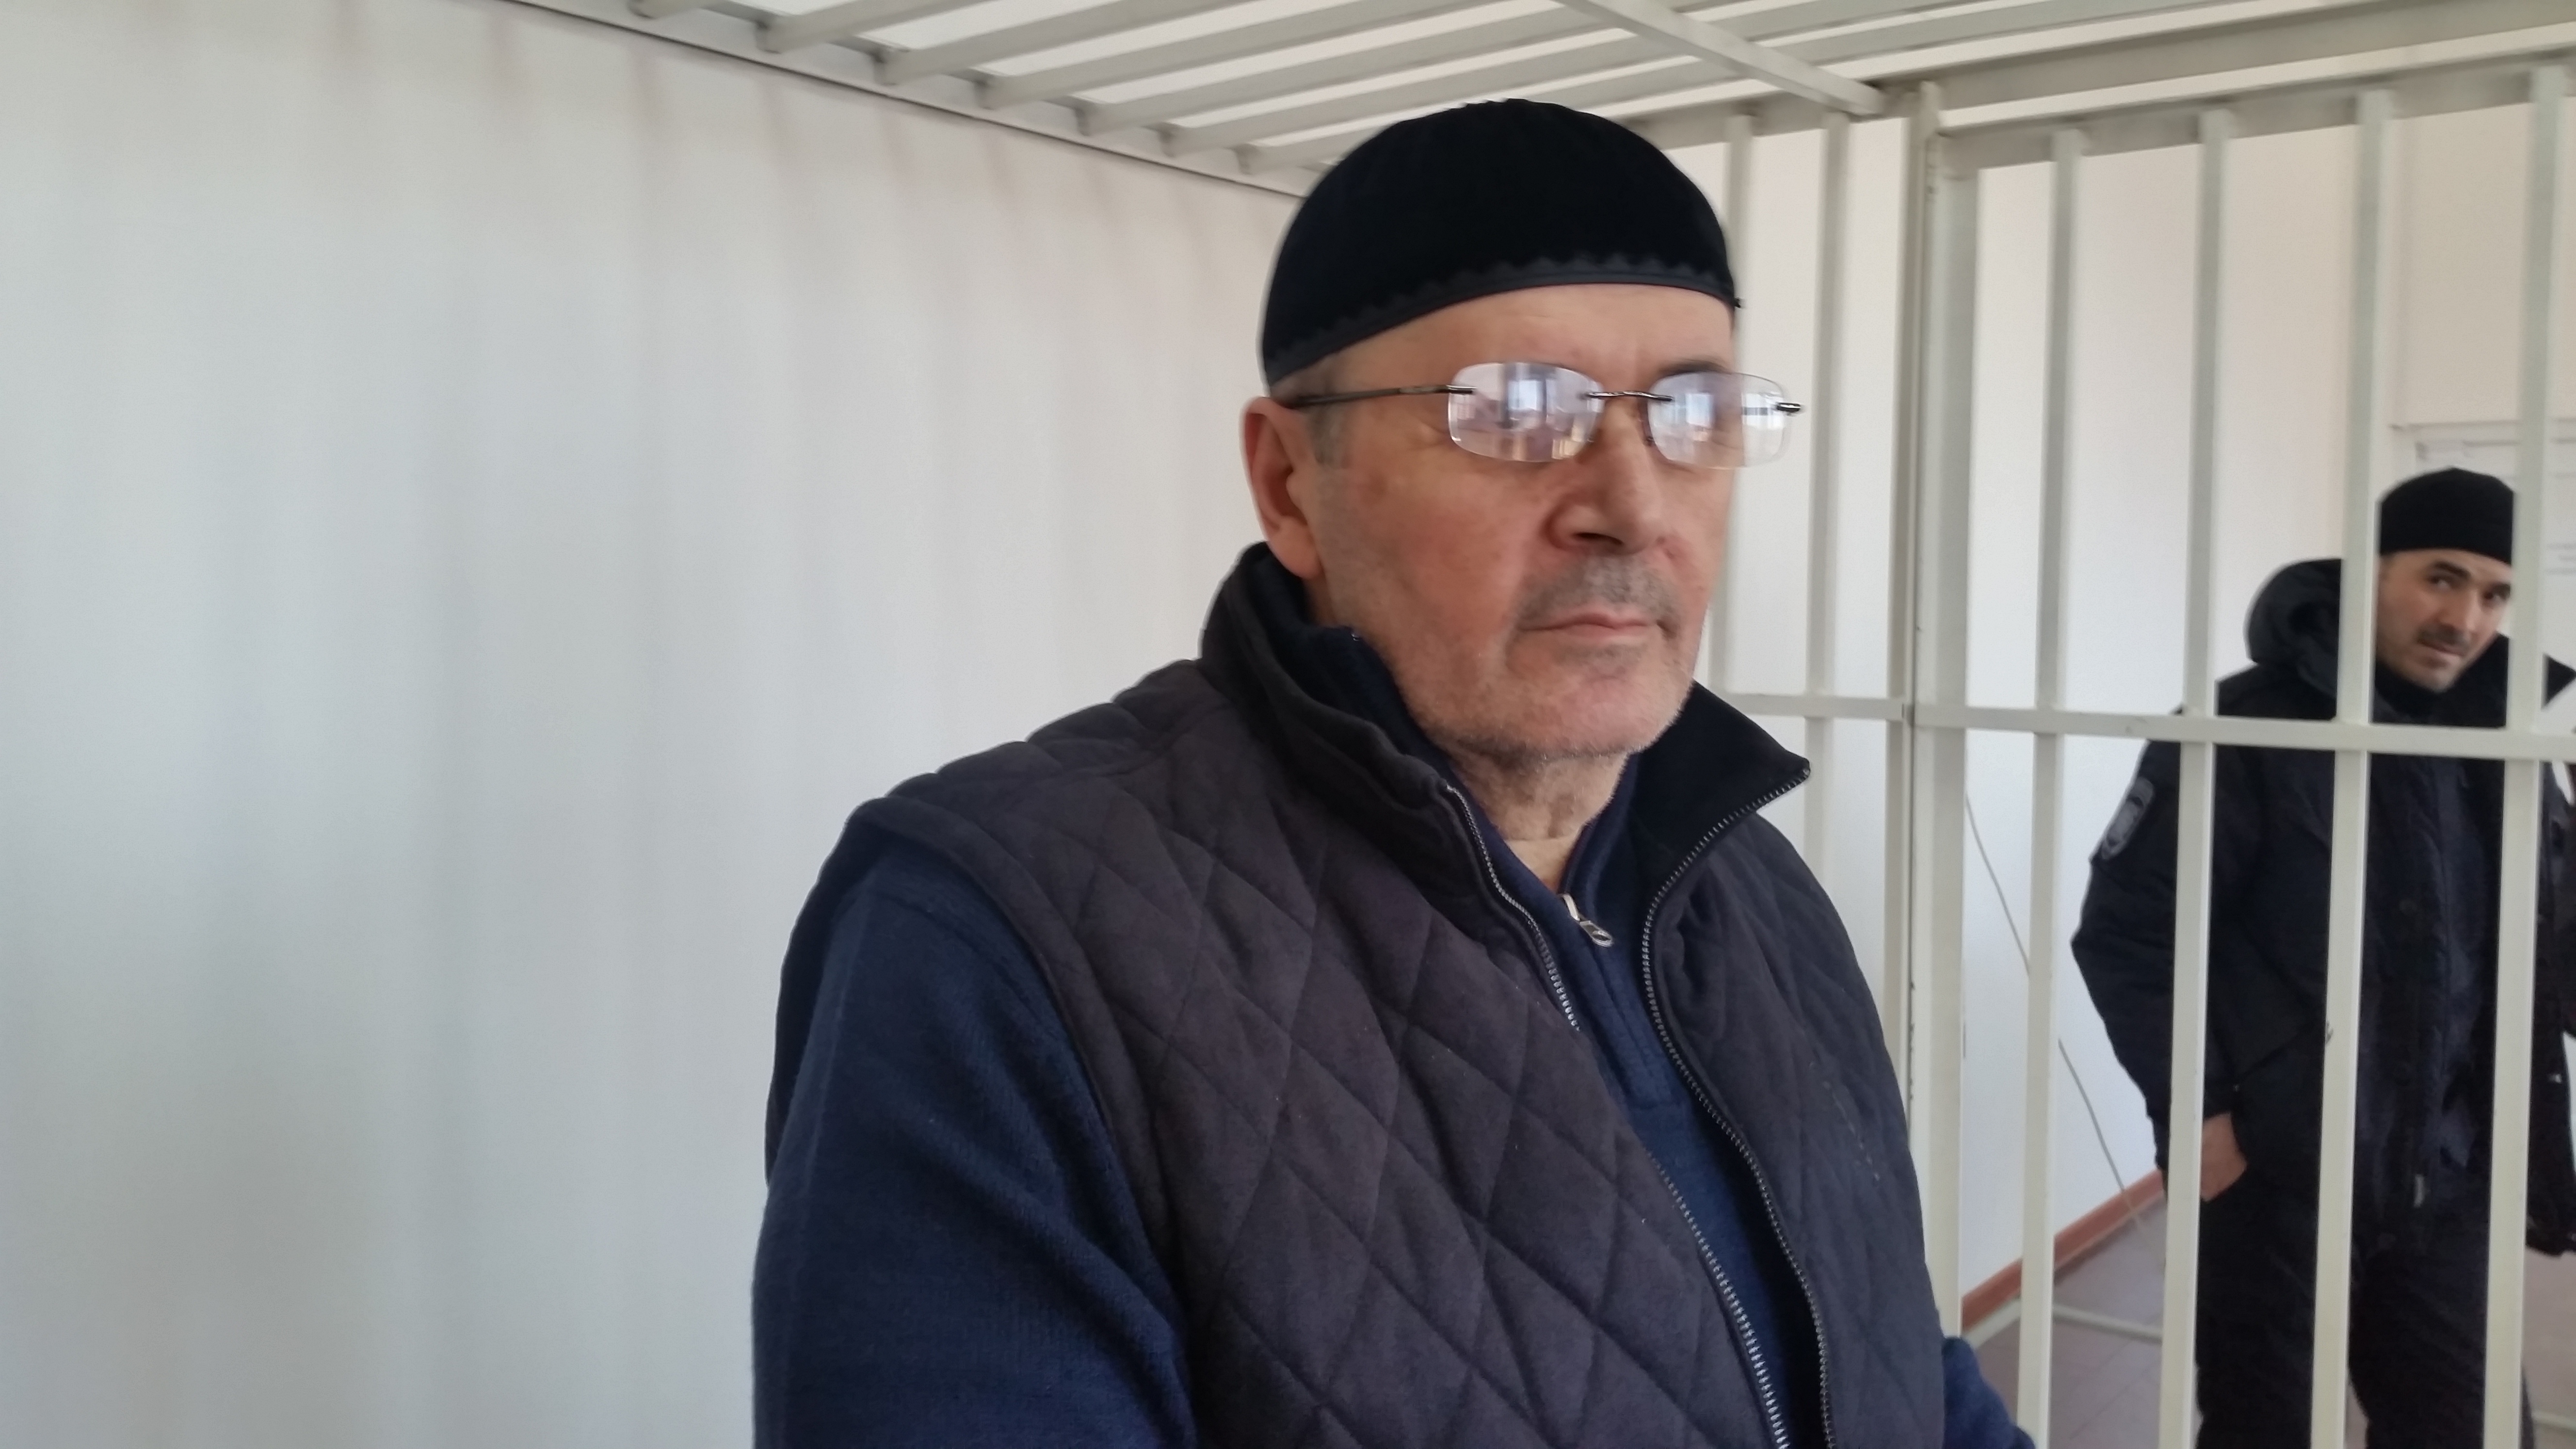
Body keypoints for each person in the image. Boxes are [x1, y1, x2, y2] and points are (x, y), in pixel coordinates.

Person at [753, 99, 2029, 1449]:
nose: (1633, 505)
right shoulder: (1001, 936)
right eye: (1519, 410)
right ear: (1291, 482)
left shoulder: (1750, 882)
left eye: (1693, 412)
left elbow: (1894, 1358)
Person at [2072, 467, 2576, 1448]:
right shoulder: (2246, 724)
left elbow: (2547, 945)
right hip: (2280, 1178)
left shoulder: (2507, 744)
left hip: (2446, 1178)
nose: (2465, 618)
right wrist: (2200, 1111)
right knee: (2268, 1428)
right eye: (2441, 578)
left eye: (2494, 593)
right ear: (2372, 569)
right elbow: (2130, 932)